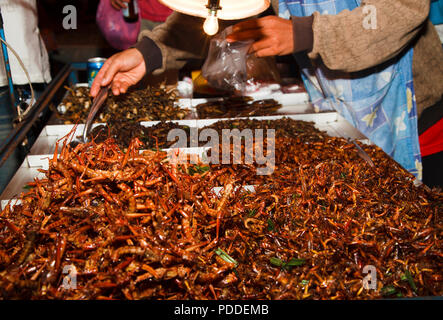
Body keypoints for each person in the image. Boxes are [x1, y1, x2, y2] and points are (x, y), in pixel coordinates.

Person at [91, 0, 443, 188]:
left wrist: (305, 33)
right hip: (332, 106)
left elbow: (404, 11)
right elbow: (219, 8)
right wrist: (148, 53)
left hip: (414, 113)